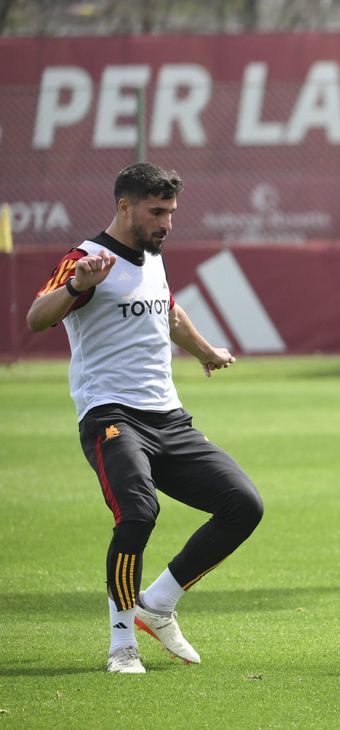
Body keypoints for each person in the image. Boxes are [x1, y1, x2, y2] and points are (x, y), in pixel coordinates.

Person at [26, 162, 264, 674]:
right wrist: (74, 289)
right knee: (138, 512)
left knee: (243, 505)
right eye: (157, 212)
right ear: (124, 206)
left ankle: (157, 604)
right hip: (110, 414)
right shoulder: (86, 258)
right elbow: (35, 316)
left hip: (169, 419)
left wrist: (204, 352)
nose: (167, 223)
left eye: (172, 212)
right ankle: (121, 645)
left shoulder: (152, 258)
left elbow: (169, 312)